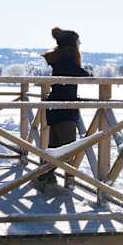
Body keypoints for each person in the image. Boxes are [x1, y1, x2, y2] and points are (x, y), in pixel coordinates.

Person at [34, 27, 91, 195]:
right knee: (67, 148)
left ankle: (45, 180)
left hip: (56, 107)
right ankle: (41, 178)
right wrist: (89, 75)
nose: (80, 44)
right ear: (72, 45)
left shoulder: (61, 59)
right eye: (78, 41)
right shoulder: (68, 60)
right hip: (64, 109)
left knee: (55, 148)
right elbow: (81, 75)